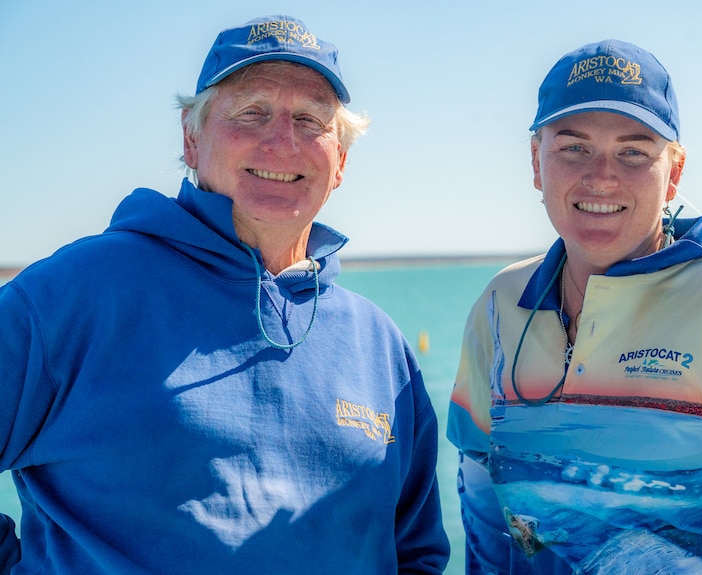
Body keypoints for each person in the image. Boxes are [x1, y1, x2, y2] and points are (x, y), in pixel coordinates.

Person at [0, 15, 449, 574]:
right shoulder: (72, 296)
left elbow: (416, 551)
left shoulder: (380, 346)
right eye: (252, 111)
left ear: (341, 162)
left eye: (311, 119)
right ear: (191, 138)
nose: (282, 141)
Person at [447, 39, 702, 574]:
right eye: (572, 147)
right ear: (535, 160)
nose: (601, 176)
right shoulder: (499, 306)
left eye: (634, 151)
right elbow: (485, 521)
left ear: (675, 171)